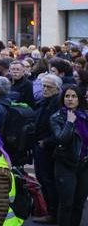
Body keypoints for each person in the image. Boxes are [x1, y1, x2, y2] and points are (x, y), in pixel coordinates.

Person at [49, 84, 88, 226]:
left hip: (84, 164)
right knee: (67, 203)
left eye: (73, 96)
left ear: (79, 99)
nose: (70, 99)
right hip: (65, 164)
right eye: (67, 96)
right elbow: (61, 139)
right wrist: (70, 123)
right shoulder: (57, 117)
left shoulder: (85, 116)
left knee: (79, 203)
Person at [33, 74, 63, 223]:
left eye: (48, 87)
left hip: (49, 149)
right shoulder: (44, 101)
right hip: (40, 146)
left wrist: (46, 142)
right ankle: (51, 211)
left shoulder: (58, 104)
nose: (45, 89)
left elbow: (60, 130)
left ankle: (53, 213)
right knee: (43, 179)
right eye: (43, 86)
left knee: (49, 180)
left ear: (57, 89)